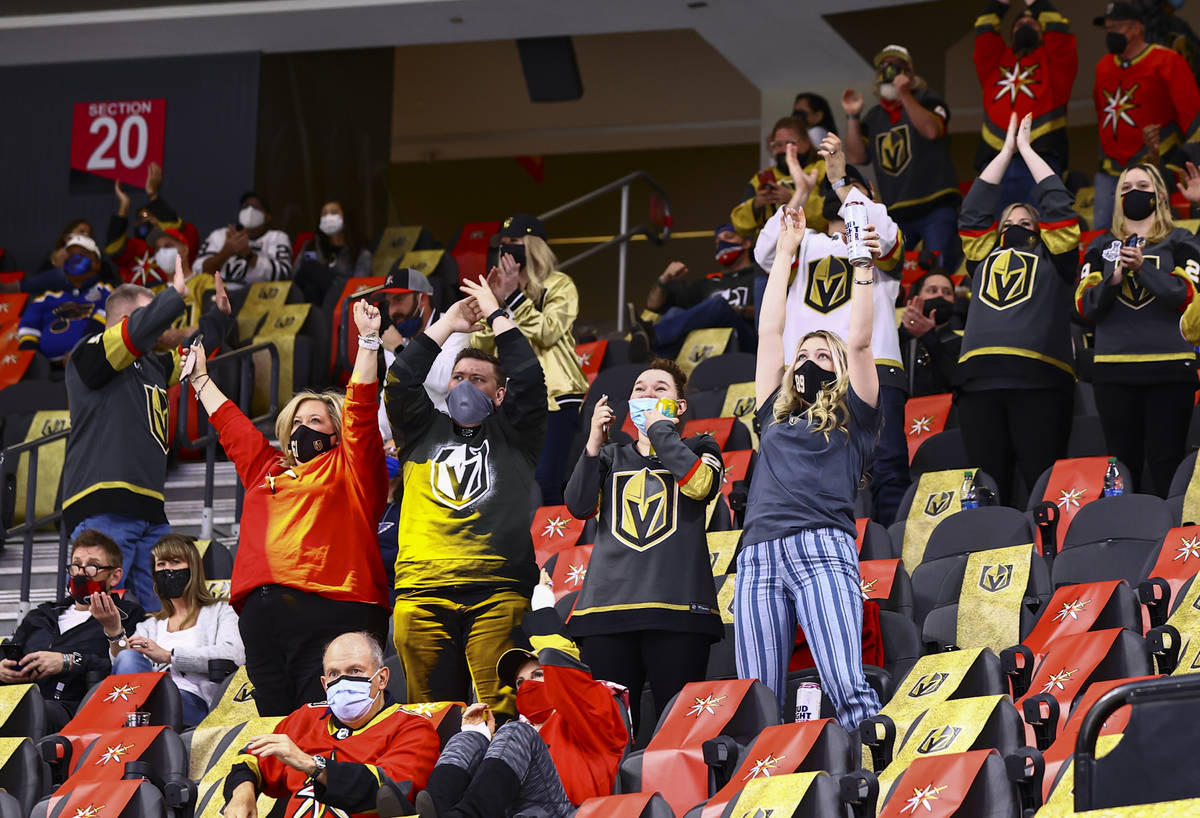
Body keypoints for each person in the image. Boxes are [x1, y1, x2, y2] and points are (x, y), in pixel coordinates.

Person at [189, 298, 391, 716]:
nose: (303, 429)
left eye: (316, 421)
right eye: (297, 423)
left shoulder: (351, 469)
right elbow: (233, 428)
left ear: (337, 433)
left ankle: (324, 782)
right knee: (277, 727)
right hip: (262, 623)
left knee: (319, 721)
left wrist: (368, 341)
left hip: (331, 608)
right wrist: (199, 380)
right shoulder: (267, 470)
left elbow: (360, 413)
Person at [734, 202, 884, 731]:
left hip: (823, 546)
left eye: (824, 356)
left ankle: (873, 789)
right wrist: (785, 254)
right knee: (758, 702)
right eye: (806, 354)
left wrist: (861, 265)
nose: (809, 361)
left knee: (846, 685)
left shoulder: (856, 418)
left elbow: (861, 341)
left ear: (840, 371)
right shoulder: (772, 415)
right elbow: (769, 331)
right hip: (756, 556)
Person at [384, 277, 547, 722]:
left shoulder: (516, 434)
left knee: (502, 715)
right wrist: (449, 326)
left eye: (478, 379)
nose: (465, 384)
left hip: (497, 590)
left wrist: (497, 316)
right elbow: (400, 380)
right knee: (429, 718)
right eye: (458, 377)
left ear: (498, 394)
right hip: (422, 591)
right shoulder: (421, 428)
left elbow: (531, 381)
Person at [755, 135, 910, 525]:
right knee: (814, 469)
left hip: (871, 367)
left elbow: (886, 234)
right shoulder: (807, 243)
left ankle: (888, 553)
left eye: (855, 192)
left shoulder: (876, 240)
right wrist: (801, 193)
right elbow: (766, 253)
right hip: (808, 369)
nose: (845, 197)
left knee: (885, 467)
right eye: (840, 191)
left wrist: (842, 179)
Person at [61, 259, 232, 611]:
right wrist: (173, 297)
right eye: (149, 315)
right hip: (103, 503)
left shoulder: (151, 364)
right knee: (100, 608)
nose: (158, 325)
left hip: (150, 509)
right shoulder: (89, 352)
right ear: (127, 321)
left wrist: (219, 316)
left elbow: (192, 354)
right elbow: (136, 334)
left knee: (163, 610)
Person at [564, 359, 724, 731]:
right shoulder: (608, 455)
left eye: (660, 389)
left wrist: (661, 432)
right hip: (605, 615)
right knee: (609, 732)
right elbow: (579, 506)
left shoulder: (701, 445)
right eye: (639, 390)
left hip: (678, 612)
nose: (647, 395)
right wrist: (592, 443)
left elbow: (701, 486)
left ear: (680, 407)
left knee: (678, 732)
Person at [407, 594, 627, 818]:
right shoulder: (518, 731)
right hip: (513, 812)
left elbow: (567, 674)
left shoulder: (593, 711)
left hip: (571, 812)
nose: (527, 686)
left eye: (538, 674)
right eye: (520, 682)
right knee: (468, 738)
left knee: (515, 732)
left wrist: (544, 615)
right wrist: (478, 735)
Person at [957, 114, 1079, 504]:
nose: (1016, 226)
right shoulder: (982, 257)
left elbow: (1059, 205)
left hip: (1039, 379)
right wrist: (1005, 151)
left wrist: (1026, 152)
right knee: (990, 488)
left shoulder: (1055, 258)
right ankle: (996, 556)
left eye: (1026, 221)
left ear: (1040, 229)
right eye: (1008, 222)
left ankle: (1045, 558)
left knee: (1041, 485)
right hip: (979, 381)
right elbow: (974, 211)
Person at [1076, 162, 1200, 496]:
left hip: (1171, 367)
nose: (1133, 192)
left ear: (1160, 194)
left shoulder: (1180, 240)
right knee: (1122, 466)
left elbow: (1185, 295)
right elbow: (1085, 306)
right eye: (1126, 187)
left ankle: (1170, 540)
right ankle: (1126, 535)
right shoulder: (1100, 245)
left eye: (1142, 185)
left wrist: (1142, 268)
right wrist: (1113, 279)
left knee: (1167, 461)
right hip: (1114, 372)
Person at [222, 632, 440, 818]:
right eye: (334, 674)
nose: (343, 681)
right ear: (324, 684)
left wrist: (312, 765)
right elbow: (250, 759)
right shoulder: (306, 716)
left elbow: (388, 790)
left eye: (355, 671)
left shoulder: (413, 727)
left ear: (382, 678)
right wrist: (243, 793)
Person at [470, 214, 586, 506]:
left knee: (547, 479)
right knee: (510, 482)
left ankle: (555, 547)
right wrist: (492, 306)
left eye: (515, 243)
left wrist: (515, 297)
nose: (507, 249)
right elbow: (480, 348)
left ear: (534, 246)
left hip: (556, 397)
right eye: (503, 244)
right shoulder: (497, 287)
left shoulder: (560, 285)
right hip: (511, 397)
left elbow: (548, 332)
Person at [0, 530, 144, 731]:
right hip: (17, 698)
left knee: (33, 710)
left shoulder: (127, 615)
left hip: (75, 710)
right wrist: (3, 670)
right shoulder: (40, 615)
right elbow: (8, 653)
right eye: (76, 565)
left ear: (115, 576)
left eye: (92, 566)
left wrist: (68, 661)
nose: (81, 573)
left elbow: (124, 669)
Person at [843, 45, 963, 273]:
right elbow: (857, 156)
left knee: (938, 270)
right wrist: (852, 116)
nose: (888, 71)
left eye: (895, 66)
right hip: (896, 211)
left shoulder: (928, 98)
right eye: (883, 67)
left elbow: (931, 131)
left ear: (908, 73)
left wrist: (905, 94)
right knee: (894, 274)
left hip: (936, 205)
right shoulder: (875, 116)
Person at [110, 534, 245, 727]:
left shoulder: (221, 612)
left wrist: (168, 656)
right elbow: (121, 665)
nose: (168, 570)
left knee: (158, 697)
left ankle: (132, 724)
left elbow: (235, 654)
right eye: (161, 565)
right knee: (128, 658)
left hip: (193, 702)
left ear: (194, 569)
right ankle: (133, 724)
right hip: (146, 701)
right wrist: (114, 630)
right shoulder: (150, 625)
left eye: (175, 562)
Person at [1092, 1, 1200, 229]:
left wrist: (1174, 167)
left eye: (1116, 28)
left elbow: (1193, 120)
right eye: (1108, 29)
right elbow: (1101, 114)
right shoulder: (1103, 65)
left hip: (1153, 170)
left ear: (1136, 28)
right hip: (1109, 172)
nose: (1110, 34)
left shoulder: (1167, 60)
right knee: (1103, 239)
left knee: (1155, 235)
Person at [973, 0, 1077, 208]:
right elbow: (984, 30)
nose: (1025, 25)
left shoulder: (1055, 64)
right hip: (995, 157)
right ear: (1011, 34)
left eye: (1033, 23)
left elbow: (1060, 33)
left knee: (1041, 227)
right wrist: (1000, 4)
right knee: (993, 231)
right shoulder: (996, 61)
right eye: (1019, 24)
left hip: (1041, 155)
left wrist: (1037, 3)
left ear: (1043, 32)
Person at [631, 225, 762, 360]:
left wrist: (738, 310)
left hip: (747, 343)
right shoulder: (706, 283)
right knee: (675, 311)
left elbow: (768, 312)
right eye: (717, 242)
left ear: (747, 243)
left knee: (719, 304)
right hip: (706, 346)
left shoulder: (759, 276)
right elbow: (654, 306)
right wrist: (663, 280)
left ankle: (653, 338)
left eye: (728, 237)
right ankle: (656, 358)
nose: (722, 243)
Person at [17, 234, 113, 363]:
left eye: (82, 255)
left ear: (96, 264)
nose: (75, 259)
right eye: (70, 256)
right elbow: (29, 326)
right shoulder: (47, 297)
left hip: (90, 363)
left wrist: (81, 351)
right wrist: (35, 360)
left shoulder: (107, 291)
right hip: (45, 369)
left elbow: (106, 320)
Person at [731, 116, 827, 238]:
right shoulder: (760, 178)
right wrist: (756, 204)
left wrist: (793, 198)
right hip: (775, 252)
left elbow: (832, 213)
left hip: (815, 249)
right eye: (778, 144)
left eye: (790, 143)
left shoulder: (822, 169)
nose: (783, 150)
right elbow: (738, 226)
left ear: (806, 143)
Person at [106, 163, 185, 287]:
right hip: (137, 299)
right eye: (140, 218)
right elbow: (113, 247)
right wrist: (124, 205)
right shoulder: (133, 247)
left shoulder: (168, 244)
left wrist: (152, 194)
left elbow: (174, 227)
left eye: (149, 216)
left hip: (167, 295)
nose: (145, 220)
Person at [194, 191, 293, 288]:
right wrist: (226, 252)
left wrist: (249, 255)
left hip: (257, 297)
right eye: (245, 206)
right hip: (218, 294)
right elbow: (198, 271)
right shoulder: (219, 235)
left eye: (256, 207)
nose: (249, 210)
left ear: (267, 217)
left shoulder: (277, 237)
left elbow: (284, 276)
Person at [294, 200, 373, 305]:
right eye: (324, 214)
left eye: (334, 212)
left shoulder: (361, 253)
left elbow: (359, 288)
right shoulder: (310, 247)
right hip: (312, 305)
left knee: (311, 267)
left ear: (345, 218)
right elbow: (294, 277)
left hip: (342, 299)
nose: (329, 217)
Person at [899, 269, 964, 397]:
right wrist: (905, 332)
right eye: (932, 290)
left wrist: (929, 337)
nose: (940, 296)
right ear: (917, 297)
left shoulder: (963, 343)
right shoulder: (900, 338)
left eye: (947, 293)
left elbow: (957, 382)